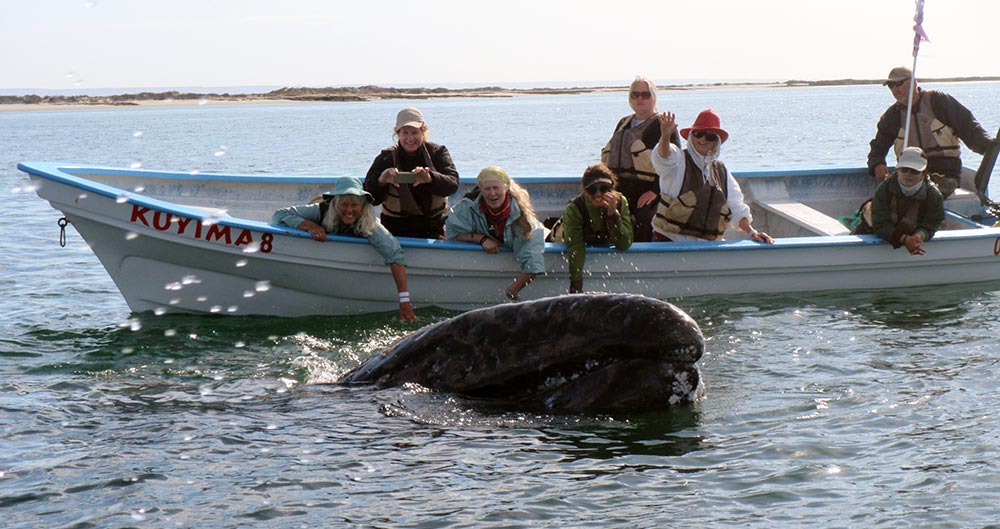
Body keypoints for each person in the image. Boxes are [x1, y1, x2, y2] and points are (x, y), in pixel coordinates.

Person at [271, 176, 417, 321]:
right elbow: (279, 215)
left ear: (363, 206)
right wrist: (310, 226)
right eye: (344, 204)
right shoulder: (321, 210)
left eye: (355, 205)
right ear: (335, 203)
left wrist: (404, 300)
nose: (349, 210)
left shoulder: (370, 224)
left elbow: (395, 255)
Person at [866, 66, 994, 198]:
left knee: (928, 191)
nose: (895, 89)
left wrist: (989, 147)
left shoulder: (938, 101)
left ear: (914, 82)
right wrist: (877, 163)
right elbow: (878, 146)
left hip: (945, 172)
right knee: (888, 193)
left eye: (899, 83)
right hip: (910, 172)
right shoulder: (892, 116)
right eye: (891, 85)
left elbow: (968, 126)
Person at [650, 109, 774, 244]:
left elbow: (736, 208)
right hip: (669, 242)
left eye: (710, 136)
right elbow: (662, 156)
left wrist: (752, 232)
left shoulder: (721, 171)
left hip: (706, 246)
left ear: (716, 142)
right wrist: (665, 136)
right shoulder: (676, 160)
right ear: (691, 136)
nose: (703, 139)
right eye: (698, 134)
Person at [445, 166, 545, 301]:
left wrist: (513, 290)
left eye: (496, 188)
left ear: (506, 188)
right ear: (480, 190)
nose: (492, 194)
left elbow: (533, 264)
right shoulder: (468, 206)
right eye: (487, 189)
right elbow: (451, 232)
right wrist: (481, 239)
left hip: (541, 237)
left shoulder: (525, 221)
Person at [601, 76, 681, 242]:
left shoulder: (663, 125)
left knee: (643, 219)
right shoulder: (623, 123)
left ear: (653, 97)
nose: (639, 99)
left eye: (645, 95)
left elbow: (675, 163)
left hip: (648, 190)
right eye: (634, 95)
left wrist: (654, 190)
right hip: (619, 188)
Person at [364, 107, 460, 238]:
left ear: (423, 132)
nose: (410, 138)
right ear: (398, 133)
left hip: (433, 227)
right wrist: (381, 181)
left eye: (415, 132)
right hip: (394, 230)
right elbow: (369, 198)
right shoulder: (385, 157)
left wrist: (430, 178)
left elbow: (453, 185)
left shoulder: (438, 152)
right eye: (405, 133)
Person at [561, 164, 633, 293]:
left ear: (612, 188)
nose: (598, 194)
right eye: (592, 190)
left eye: (604, 189)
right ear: (584, 190)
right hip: (570, 238)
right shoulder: (574, 208)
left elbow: (624, 244)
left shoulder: (621, 202)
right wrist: (575, 287)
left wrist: (613, 215)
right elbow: (575, 248)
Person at [871, 146, 945, 255]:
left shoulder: (934, 195)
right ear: (898, 170)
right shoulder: (884, 189)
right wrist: (904, 239)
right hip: (884, 233)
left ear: (923, 173)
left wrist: (919, 236)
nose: (908, 175)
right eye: (904, 169)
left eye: (914, 171)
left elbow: (932, 223)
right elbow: (880, 224)